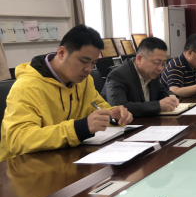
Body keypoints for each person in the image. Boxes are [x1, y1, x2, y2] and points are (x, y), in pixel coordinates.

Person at [0, 25, 133, 162]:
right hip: (22, 166)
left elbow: (97, 106)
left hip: (65, 158)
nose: (88, 69)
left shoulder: (84, 81)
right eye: (84, 61)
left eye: (93, 63)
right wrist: (78, 129)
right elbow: (18, 140)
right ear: (62, 53)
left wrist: (113, 115)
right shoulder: (26, 87)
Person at [102, 37, 179, 117]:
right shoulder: (118, 76)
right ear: (139, 59)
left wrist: (170, 95)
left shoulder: (151, 73)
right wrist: (158, 106)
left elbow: (162, 90)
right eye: (157, 62)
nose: (160, 68)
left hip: (149, 122)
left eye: (163, 64)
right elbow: (119, 108)